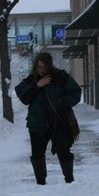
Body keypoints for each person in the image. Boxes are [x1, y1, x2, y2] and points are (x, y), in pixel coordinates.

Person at [15, 52, 81, 185]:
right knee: (37, 154)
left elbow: (76, 92)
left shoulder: (61, 77)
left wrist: (63, 102)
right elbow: (23, 96)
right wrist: (37, 85)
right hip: (37, 123)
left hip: (59, 122)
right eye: (39, 67)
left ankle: (70, 180)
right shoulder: (31, 80)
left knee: (64, 152)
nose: (42, 70)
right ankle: (40, 182)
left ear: (50, 66)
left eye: (44, 67)